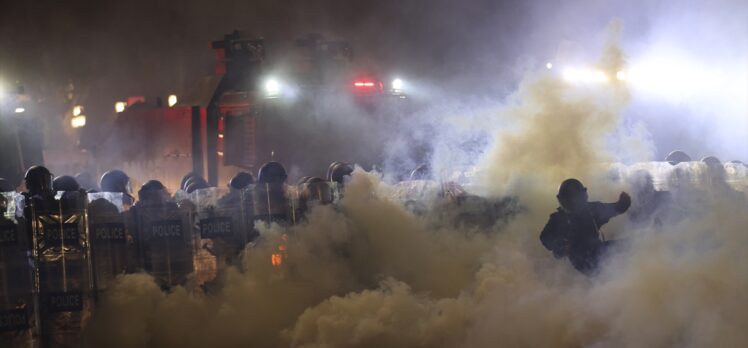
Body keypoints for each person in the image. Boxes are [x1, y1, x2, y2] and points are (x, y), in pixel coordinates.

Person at [540, 178, 631, 275]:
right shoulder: (558, 219)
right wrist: (559, 245)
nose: (573, 202)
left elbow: (617, 208)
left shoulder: (593, 210)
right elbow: (544, 238)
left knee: (631, 246)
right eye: (570, 198)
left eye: (575, 197)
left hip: (598, 251)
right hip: (582, 262)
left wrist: (623, 202)